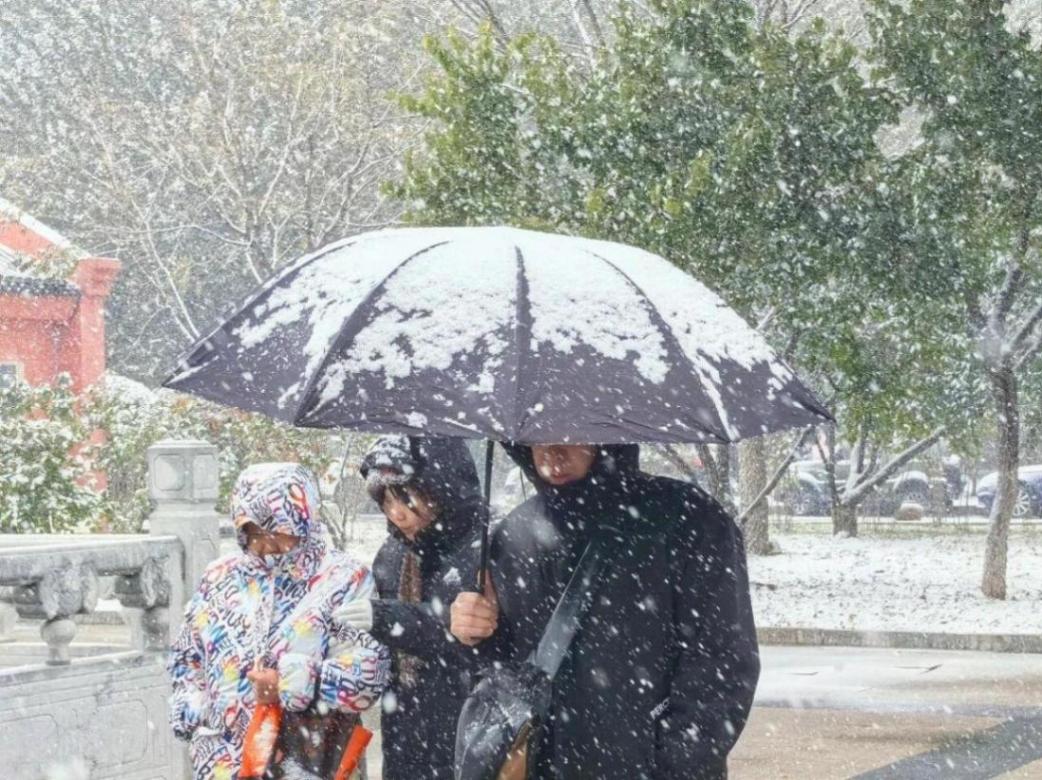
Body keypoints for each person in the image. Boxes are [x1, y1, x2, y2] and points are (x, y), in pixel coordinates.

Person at [451, 443, 759, 780]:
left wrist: (674, 764)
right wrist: (479, 634)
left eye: (570, 433)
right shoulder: (512, 536)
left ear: (609, 436)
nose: (553, 451)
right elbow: (505, 675)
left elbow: (722, 666)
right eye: (540, 435)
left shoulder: (689, 520)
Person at [168, 462, 391, 780]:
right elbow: (187, 657)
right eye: (254, 532)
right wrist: (196, 713)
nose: (266, 545)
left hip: (312, 759)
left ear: (304, 520)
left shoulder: (344, 579)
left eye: (278, 531)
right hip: (224, 764)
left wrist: (290, 682)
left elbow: (369, 675)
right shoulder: (220, 577)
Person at [338, 435, 486, 779]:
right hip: (405, 725)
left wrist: (394, 619)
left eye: (406, 497)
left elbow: (478, 637)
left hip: (466, 724)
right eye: (385, 500)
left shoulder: (485, 549)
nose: (397, 512)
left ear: (442, 489)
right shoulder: (392, 555)